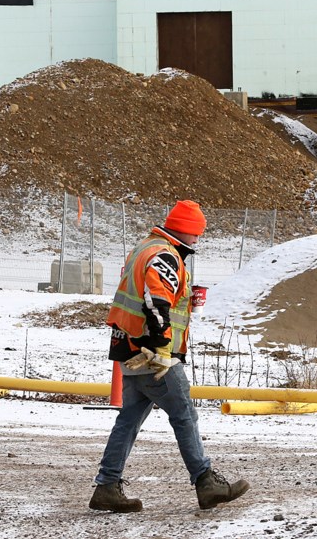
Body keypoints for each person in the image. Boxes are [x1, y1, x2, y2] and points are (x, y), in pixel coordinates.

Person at [89, 200, 251, 513]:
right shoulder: (165, 255)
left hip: (130, 346)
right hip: (153, 352)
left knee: (130, 418)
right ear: (187, 231)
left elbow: (147, 296)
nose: (197, 241)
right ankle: (206, 481)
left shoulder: (146, 247)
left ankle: (107, 485)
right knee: (184, 413)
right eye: (197, 234)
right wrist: (162, 348)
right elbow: (156, 302)